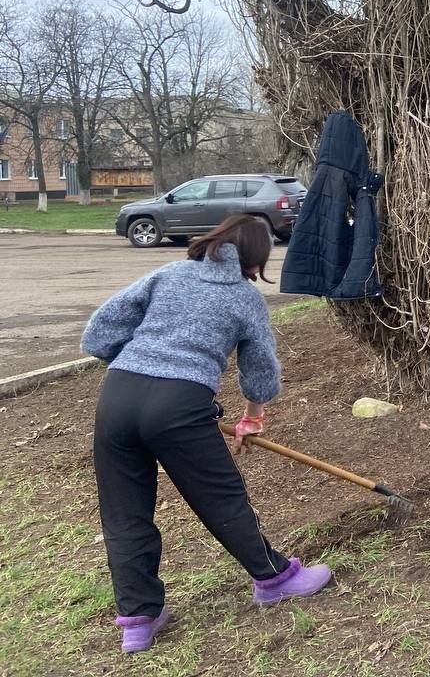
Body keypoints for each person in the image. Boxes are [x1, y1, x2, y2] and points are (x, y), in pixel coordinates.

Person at [82, 215, 332, 654]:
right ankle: (274, 579)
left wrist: (142, 362)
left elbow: (100, 331)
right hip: (178, 404)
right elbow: (260, 371)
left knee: (124, 513)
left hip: (117, 396)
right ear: (256, 257)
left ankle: (138, 620)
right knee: (221, 498)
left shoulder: (169, 273)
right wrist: (252, 417)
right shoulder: (245, 298)